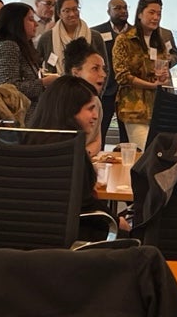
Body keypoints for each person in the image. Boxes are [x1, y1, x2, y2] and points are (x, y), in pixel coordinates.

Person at [24, 76, 130, 236]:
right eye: (90, 109)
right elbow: (87, 205)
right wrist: (118, 221)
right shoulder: (71, 151)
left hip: (33, 234)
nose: (95, 115)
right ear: (70, 110)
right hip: (73, 236)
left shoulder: (29, 142)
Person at [112, 0, 170, 150]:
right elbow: (122, 75)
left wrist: (163, 77)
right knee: (145, 150)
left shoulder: (159, 42)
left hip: (156, 108)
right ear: (139, 14)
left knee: (158, 152)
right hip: (134, 108)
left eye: (159, 14)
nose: (156, 17)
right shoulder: (124, 40)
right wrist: (150, 85)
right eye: (151, 12)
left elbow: (164, 73)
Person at [0, 2, 58, 119]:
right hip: (13, 119)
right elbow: (8, 89)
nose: (36, 24)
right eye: (30, 19)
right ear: (16, 22)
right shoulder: (8, 46)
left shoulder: (20, 46)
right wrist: (44, 82)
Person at [91, 0, 131, 145]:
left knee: (127, 138)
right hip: (106, 89)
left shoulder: (135, 33)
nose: (123, 11)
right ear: (108, 11)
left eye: (125, 7)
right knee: (99, 131)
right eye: (118, 8)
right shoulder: (96, 32)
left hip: (127, 91)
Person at [37, 0, 107, 75]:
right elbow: (37, 67)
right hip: (57, 83)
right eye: (67, 11)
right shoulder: (47, 38)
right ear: (59, 14)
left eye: (75, 9)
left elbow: (105, 68)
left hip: (89, 83)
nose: (72, 14)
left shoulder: (95, 37)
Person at [64, 37, 107, 158]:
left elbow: (97, 141)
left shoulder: (96, 101)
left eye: (103, 69)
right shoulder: (61, 101)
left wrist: (83, 158)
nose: (103, 74)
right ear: (76, 73)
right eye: (95, 69)